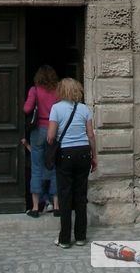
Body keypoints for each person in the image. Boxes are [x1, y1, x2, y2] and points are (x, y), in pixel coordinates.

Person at [47, 78, 97, 249]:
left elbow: (51, 136)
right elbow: (91, 135)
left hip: (65, 154)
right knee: (81, 195)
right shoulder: (84, 108)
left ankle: (65, 238)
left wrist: (50, 140)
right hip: (83, 152)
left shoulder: (56, 108)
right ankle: (81, 236)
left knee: (65, 196)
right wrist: (94, 156)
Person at [23, 65, 59, 217]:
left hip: (38, 131)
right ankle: (56, 206)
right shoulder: (58, 91)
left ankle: (36, 207)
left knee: (36, 168)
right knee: (54, 168)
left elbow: (26, 109)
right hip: (54, 129)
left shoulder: (35, 90)